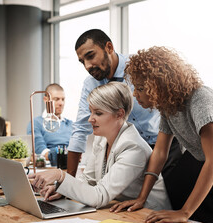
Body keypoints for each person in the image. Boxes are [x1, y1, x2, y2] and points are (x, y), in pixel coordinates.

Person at [110, 46, 213, 223]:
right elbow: (160, 153)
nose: (134, 94)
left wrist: (185, 212)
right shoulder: (167, 106)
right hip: (210, 174)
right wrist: (142, 197)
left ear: (158, 84)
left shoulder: (201, 99)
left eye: (140, 88)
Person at [29, 82, 171, 210]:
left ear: (119, 114)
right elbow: (88, 181)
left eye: (98, 113)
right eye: (91, 112)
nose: (90, 119)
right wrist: (61, 189)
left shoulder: (133, 147)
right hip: (118, 209)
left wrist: (60, 175)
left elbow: (99, 197)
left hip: (148, 215)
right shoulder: (101, 139)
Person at [67, 29, 182, 178]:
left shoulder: (141, 68)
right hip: (128, 152)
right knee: (133, 200)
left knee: (171, 197)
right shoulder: (90, 84)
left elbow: (172, 104)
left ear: (109, 47)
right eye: (82, 62)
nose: (87, 66)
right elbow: (80, 129)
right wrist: (67, 181)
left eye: (90, 56)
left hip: (165, 146)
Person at [27, 83, 73, 165]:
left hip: (70, 166)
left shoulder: (70, 124)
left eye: (63, 99)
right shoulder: (36, 123)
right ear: (46, 100)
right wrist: (67, 156)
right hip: (49, 166)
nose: (61, 103)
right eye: (56, 99)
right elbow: (41, 150)